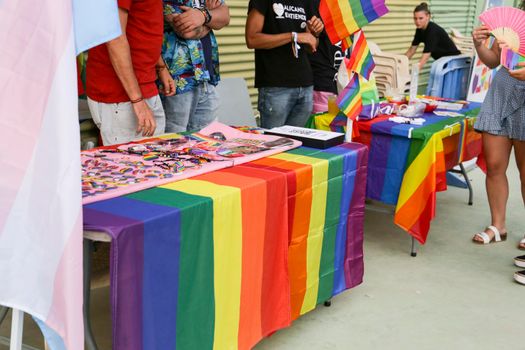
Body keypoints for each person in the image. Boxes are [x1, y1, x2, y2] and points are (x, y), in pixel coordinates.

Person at [470, 13, 525, 285]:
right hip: (500, 96)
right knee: (494, 165)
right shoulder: (514, 23)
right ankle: (498, 225)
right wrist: (479, 44)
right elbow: (493, 61)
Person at [86, 0, 175, 146]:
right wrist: (137, 100)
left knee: (154, 162)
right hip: (121, 92)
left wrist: (160, 67)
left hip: (144, 84)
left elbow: (142, 24)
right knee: (129, 164)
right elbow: (114, 37)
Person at [245, 0, 324, 129]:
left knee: (298, 146)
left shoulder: (310, 2)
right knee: (273, 144)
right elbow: (252, 39)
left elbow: (312, 46)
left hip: (305, 85)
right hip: (275, 86)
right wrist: (294, 36)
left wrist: (314, 33)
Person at [162, 0, 230, 132]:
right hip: (177, 82)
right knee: (175, 141)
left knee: (207, 141)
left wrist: (202, 16)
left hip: (206, 76)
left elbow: (225, 16)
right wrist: (210, 18)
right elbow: (186, 31)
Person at [404, 2, 460, 70]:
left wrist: (412, 75)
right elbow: (411, 51)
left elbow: (425, 58)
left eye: (421, 18)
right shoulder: (419, 30)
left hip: (453, 62)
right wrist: (398, 64)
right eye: (415, 18)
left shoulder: (432, 30)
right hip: (442, 62)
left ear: (428, 16)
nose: (417, 22)